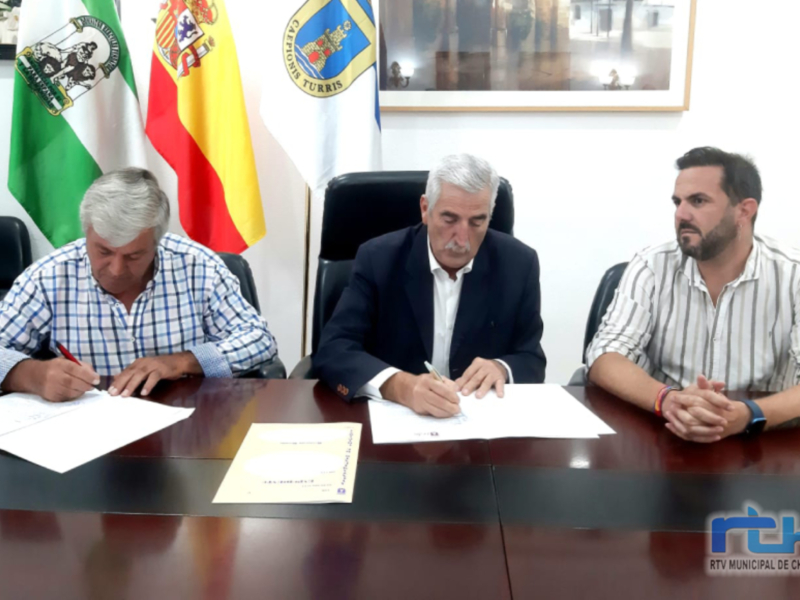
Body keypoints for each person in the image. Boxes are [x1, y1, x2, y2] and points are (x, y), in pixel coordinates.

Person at [0, 168, 277, 402]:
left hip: (186, 432)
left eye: (134, 255)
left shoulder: (197, 266)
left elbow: (259, 339)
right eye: (104, 252)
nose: (117, 269)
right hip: (85, 437)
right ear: (86, 233)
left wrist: (183, 361)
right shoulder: (49, 277)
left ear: (157, 243)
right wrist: (31, 375)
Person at [587, 147, 800, 442]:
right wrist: (667, 400)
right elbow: (605, 355)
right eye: (678, 202)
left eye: (698, 201)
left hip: (763, 440)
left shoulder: (793, 275)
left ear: (744, 210)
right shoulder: (651, 266)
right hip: (662, 433)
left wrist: (745, 414)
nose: (681, 214)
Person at [313, 154, 546, 417]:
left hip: (478, 431)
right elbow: (334, 349)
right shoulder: (378, 259)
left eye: (477, 222)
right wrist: (400, 386)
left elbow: (531, 358)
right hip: (393, 425)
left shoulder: (519, 264)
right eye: (449, 219)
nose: (461, 239)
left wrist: (501, 367)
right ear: (425, 209)